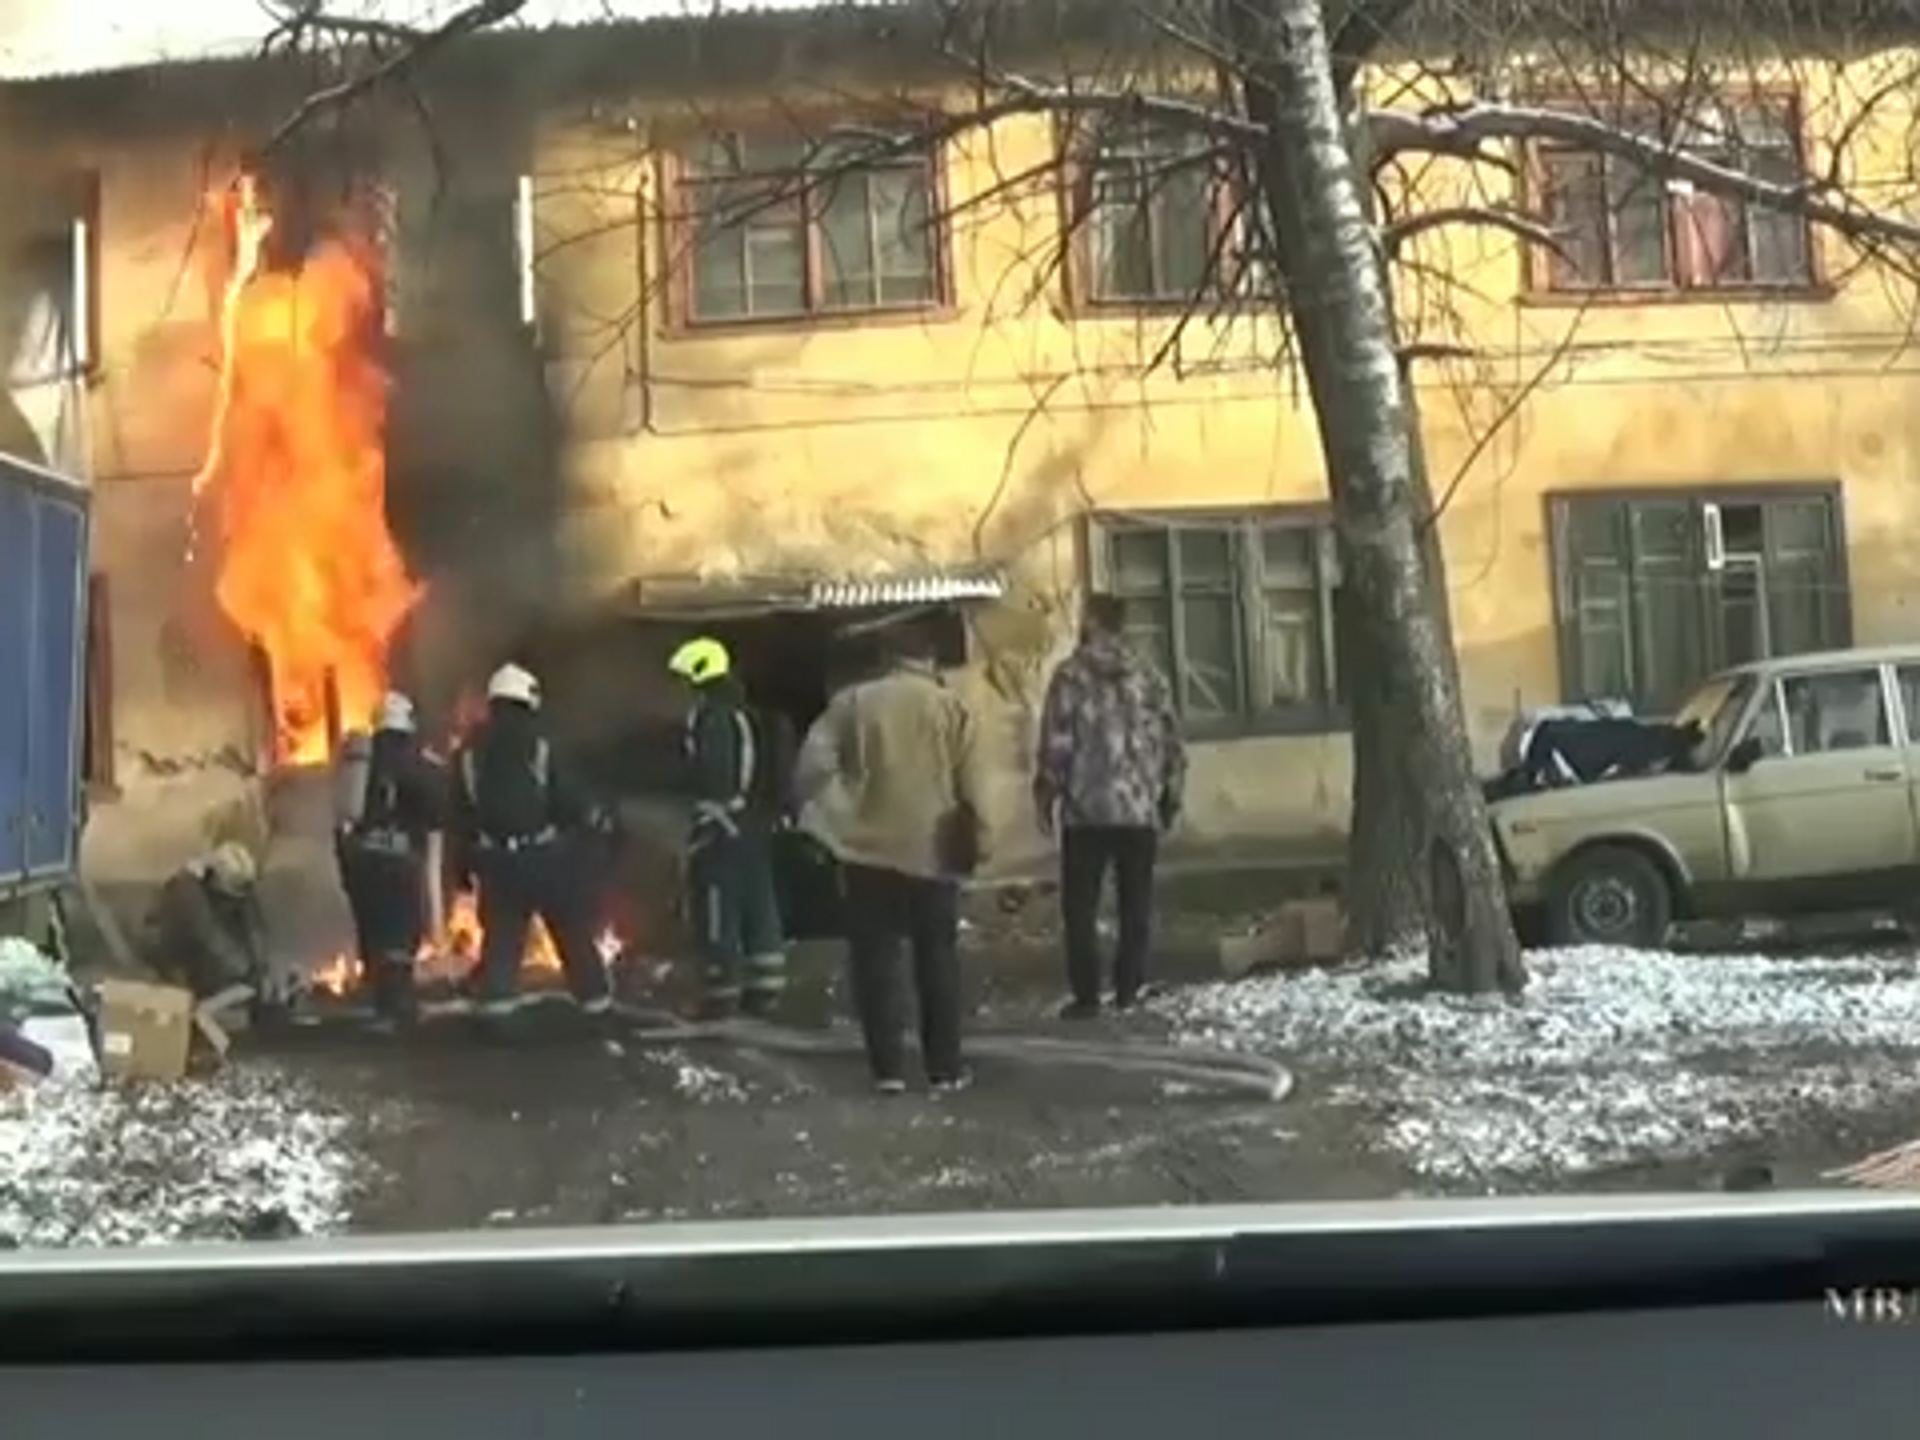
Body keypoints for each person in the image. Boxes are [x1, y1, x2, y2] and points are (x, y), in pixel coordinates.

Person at [796, 621, 984, 1094]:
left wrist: (842, 819)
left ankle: (888, 1070)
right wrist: (979, 843)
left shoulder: (852, 703)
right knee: (936, 961)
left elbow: (812, 770)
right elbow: (973, 786)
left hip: (867, 854)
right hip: (932, 851)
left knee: (876, 962)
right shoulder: (949, 706)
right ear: (928, 660)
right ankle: (944, 1067)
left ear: (884, 659)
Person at [1033, 594, 1186, 1018]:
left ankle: (1086, 996)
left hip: (1087, 811)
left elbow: (1057, 744)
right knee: (1135, 903)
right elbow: (1171, 739)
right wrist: (1171, 794)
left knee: (1080, 909)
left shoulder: (1070, 677)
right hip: (1138, 809)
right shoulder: (1148, 675)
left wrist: (1047, 793)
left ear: (1092, 621)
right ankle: (1128, 988)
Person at [449, 663, 612, 1020]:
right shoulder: (541, 745)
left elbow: (458, 817)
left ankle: (496, 1010)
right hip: (545, 859)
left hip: (495, 862)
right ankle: (596, 1005)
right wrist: (591, 826)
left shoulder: (466, 755)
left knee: (502, 940)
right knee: (570, 930)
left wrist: (461, 868)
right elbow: (568, 800)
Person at [667, 636, 791, 1020]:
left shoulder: (711, 716)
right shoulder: (750, 714)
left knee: (718, 907)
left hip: (723, 827)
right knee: (758, 903)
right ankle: (765, 992)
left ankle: (719, 995)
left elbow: (713, 774)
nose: (683, 688)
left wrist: (706, 812)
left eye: (687, 679)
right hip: (755, 824)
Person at [333, 691, 447, 1031]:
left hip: (362, 859)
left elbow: (342, 814)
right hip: (400, 861)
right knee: (401, 934)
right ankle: (399, 1007)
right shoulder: (418, 762)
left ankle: (381, 1001)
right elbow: (435, 816)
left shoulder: (359, 761)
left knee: (375, 930)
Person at [143, 841, 274, 1009]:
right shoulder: (187, 890)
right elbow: (209, 933)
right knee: (183, 999)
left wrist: (261, 965)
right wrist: (244, 970)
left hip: (199, 942)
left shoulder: (235, 879)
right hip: (167, 940)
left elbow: (253, 922)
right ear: (215, 878)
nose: (236, 899)